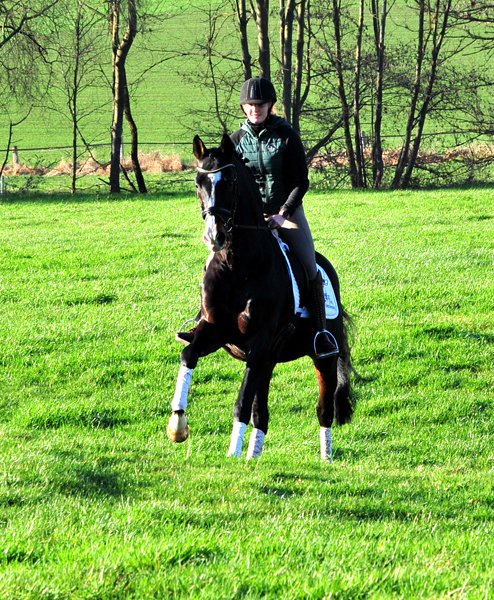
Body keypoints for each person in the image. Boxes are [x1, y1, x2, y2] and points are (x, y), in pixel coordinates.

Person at [177, 76, 338, 358]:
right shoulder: (236, 141)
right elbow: (223, 182)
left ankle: (322, 333)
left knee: (310, 266)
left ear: (270, 105)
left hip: (286, 213)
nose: (255, 109)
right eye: (249, 105)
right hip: (246, 218)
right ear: (243, 107)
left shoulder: (287, 136)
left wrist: (283, 213)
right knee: (211, 262)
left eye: (260, 105)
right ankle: (201, 320)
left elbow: (301, 181)